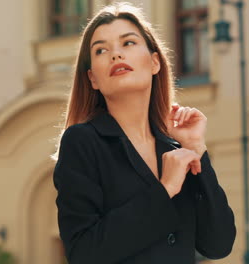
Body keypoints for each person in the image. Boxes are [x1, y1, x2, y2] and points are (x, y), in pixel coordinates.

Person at [52, 3, 236, 264]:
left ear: (154, 62)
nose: (116, 54)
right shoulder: (82, 142)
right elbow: (83, 253)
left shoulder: (174, 148)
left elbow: (219, 244)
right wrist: (165, 190)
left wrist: (197, 148)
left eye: (128, 43)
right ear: (93, 78)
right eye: (101, 50)